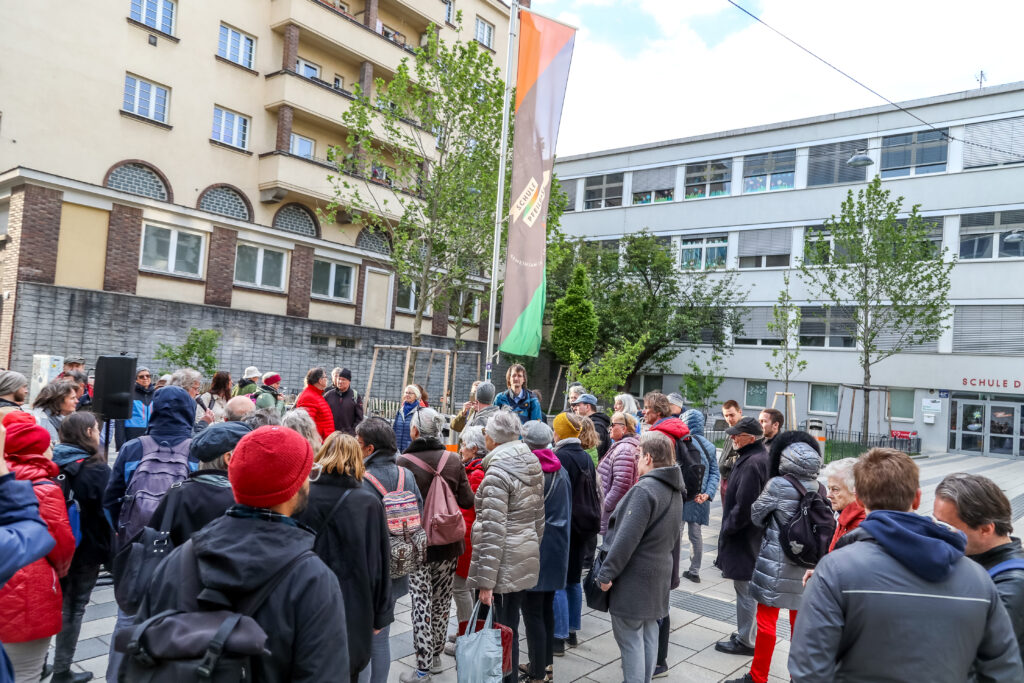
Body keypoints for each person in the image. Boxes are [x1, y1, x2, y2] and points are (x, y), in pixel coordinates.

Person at [129, 426, 349, 682]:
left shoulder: (179, 559)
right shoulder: (314, 581)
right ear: (294, 486)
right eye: (308, 474)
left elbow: (141, 651)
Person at [790, 448, 1023, 682]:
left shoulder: (834, 570)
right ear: (917, 498)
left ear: (859, 500)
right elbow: (1002, 671)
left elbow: (809, 668)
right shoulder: (978, 578)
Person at [102, 384, 197, 679]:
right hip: (180, 552)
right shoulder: (197, 448)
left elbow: (109, 502)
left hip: (135, 549)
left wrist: (121, 541)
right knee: (175, 619)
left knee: (127, 617)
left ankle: (118, 675)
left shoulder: (133, 448)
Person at [725, 437, 823, 683]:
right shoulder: (819, 487)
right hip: (807, 566)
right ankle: (795, 677)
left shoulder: (778, 484)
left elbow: (756, 516)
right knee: (798, 627)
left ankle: (758, 677)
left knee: (767, 622)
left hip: (775, 564)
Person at [298, 432, 393, 683]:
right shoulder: (368, 502)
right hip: (354, 601)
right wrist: (381, 613)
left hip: (308, 594)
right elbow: (380, 562)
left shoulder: (304, 495)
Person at [596, 431, 684, 683]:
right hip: (658, 576)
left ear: (647, 457)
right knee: (648, 632)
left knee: (630, 639)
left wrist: (606, 573)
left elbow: (626, 539)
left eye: (637, 456)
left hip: (635, 579)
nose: (635, 461)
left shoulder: (645, 490)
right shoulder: (675, 489)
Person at [397, 408, 474, 682]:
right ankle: (438, 653)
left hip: (418, 546)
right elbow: (467, 501)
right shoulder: (453, 459)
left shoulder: (403, 462)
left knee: (420, 601)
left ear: (415, 431)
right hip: (449, 545)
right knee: (442, 600)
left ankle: (423, 665)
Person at [468, 411, 545, 683]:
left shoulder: (497, 474)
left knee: (499, 633)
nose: (484, 436)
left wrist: (486, 583)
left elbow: (492, 532)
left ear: (495, 439)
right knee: (509, 628)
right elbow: (539, 518)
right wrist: (530, 548)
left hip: (500, 566)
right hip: (522, 557)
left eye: (487, 432)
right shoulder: (531, 461)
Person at [0, 416, 76, 683]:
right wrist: (61, 574)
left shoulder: (5, 477)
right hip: (29, 592)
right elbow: (61, 545)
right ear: (39, 449)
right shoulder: (45, 487)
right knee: (26, 674)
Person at [356, 417, 423, 683]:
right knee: (381, 637)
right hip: (398, 566)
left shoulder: (363, 479)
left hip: (369, 573)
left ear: (370, 449)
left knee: (362, 640)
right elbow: (418, 509)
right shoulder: (407, 475)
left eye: (358, 443)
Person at [933, 472, 1024, 658]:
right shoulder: (973, 558)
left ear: (985, 529)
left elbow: (971, 655)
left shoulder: (1012, 585)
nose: (935, 533)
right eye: (934, 521)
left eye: (945, 527)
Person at [50, 413, 112, 683]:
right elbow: (107, 512)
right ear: (88, 432)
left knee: (50, 603)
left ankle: (39, 662)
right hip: (85, 549)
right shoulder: (97, 469)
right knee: (74, 608)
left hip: (50, 547)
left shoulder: (49, 462)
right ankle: (61, 671)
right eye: (97, 429)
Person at [520, 420, 571, 683]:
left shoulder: (531, 471)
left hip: (534, 551)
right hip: (557, 550)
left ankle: (538, 675)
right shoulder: (559, 469)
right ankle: (545, 664)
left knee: (532, 613)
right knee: (546, 609)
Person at [145, 420, 250, 547]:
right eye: (248, 453)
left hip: (181, 565)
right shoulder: (243, 499)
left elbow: (152, 535)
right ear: (228, 458)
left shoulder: (178, 492)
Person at [714, 416, 769, 657]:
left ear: (751, 438)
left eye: (737, 434)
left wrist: (728, 528)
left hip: (745, 537)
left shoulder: (751, 462)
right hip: (751, 536)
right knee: (746, 588)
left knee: (745, 588)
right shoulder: (756, 457)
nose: (733, 438)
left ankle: (747, 640)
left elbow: (745, 506)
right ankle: (748, 634)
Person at [551, 411, 599, 655]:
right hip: (584, 528)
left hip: (565, 527)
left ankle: (557, 638)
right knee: (573, 580)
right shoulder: (584, 456)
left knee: (558, 581)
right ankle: (571, 631)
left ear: (559, 432)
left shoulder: (560, 457)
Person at [446, 425, 487, 656]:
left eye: (463, 445)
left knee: (460, 588)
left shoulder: (477, 472)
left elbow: (469, 508)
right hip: (468, 535)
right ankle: (467, 628)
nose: (461, 449)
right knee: (465, 589)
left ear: (473, 448)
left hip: (468, 538)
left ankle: (467, 639)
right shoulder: (475, 468)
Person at [679, 408, 721, 584]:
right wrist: (707, 494)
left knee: (676, 533)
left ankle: (672, 568)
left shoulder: (681, 442)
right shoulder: (709, 446)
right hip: (700, 497)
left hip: (683, 495)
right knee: (696, 535)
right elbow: (714, 474)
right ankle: (694, 570)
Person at [597, 411, 640, 535]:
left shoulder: (625, 449)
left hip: (613, 514)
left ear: (623, 428)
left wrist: (604, 507)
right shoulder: (622, 446)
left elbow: (621, 487)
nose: (609, 428)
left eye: (613, 424)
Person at [820, 457, 864, 551]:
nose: (828, 495)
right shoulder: (845, 515)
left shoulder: (860, 525)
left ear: (855, 489)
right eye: (829, 489)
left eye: (835, 489)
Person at [113, 367, 154, 450]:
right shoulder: (129, 394)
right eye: (141, 376)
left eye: (148, 376)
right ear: (136, 379)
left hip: (152, 436)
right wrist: (120, 444)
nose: (145, 378)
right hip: (132, 436)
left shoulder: (156, 394)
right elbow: (120, 420)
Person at [30, 380, 77, 445]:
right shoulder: (39, 422)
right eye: (72, 398)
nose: (77, 401)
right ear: (58, 401)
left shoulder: (73, 419)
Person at [295, 367, 335, 440]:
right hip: (317, 444)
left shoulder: (316, 394)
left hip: (323, 442)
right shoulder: (308, 397)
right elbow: (306, 426)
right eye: (325, 377)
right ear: (320, 380)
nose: (327, 380)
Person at [325, 367, 364, 436]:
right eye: (339, 379)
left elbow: (359, 419)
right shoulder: (328, 395)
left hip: (348, 437)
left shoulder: (355, 396)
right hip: (330, 436)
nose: (340, 382)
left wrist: (352, 433)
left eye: (343, 380)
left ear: (349, 381)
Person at [571, 393, 611, 460]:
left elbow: (596, 453)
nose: (575, 408)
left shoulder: (596, 426)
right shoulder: (593, 423)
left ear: (587, 407)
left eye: (578, 405)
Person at [718, 400, 743, 499]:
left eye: (732, 415)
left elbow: (745, 455)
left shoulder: (744, 431)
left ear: (740, 412)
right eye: (726, 415)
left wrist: (726, 464)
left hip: (735, 480)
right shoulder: (731, 429)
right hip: (725, 477)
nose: (729, 419)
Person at [393, 384, 421, 453]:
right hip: (397, 449)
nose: (407, 395)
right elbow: (394, 429)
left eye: (410, 393)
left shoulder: (419, 411)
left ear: (416, 395)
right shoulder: (400, 411)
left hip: (412, 449)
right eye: (406, 393)